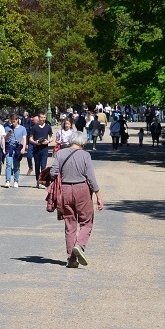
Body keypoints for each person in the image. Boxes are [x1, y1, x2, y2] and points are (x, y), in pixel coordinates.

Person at [50, 131, 104, 268]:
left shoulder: (60, 153)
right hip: (82, 190)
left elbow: (53, 172)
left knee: (70, 225)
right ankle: (80, 245)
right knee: (86, 222)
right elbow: (90, 177)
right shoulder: (85, 155)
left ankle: (71, 259)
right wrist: (98, 195)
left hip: (65, 191)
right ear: (83, 143)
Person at [26, 112, 54, 187]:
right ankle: (38, 181)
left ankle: (43, 182)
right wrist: (35, 142)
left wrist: (48, 141)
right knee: (37, 166)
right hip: (36, 149)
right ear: (39, 118)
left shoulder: (48, 127)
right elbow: (30, 138)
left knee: (43, 166)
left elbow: (51, 137)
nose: (43, 119)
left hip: (45, 148)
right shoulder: (34, 128)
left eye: (44, 117)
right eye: (42, 117)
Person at [4, 114, 27, 188]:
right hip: (9, 147)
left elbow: (24, 138)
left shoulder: (22, 129)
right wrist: (8, 133)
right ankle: (7, 181)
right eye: (11, 121)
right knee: (8, 164)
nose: (12, 123)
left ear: (17, 120)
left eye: (14, 121)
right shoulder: (7, 128)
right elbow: (4, 138)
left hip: (18, 148)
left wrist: (23, 148)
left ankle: (16, 181)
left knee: (16, 166)